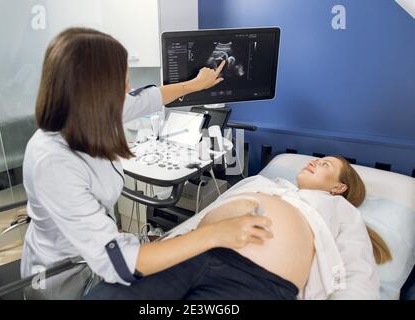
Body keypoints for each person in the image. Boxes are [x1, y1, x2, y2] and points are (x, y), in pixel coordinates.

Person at [21, 27, 273, 299]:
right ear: (94, 90)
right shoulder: (54, 162)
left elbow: (150, 99)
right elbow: (117, 263)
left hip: (97, 250)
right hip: (65, 276)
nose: (128, 88)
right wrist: (213, 235)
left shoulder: (89, 112)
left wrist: (198, 84)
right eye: (121, 80)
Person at [85, 156, 392, 300]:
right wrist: (165, 241)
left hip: (255, 282)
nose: (314, 163)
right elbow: (199, 219)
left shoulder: (340, 210)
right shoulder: (260, 182)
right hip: (190, 252)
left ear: (339, 187)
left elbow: (357, 268)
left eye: (325, 165)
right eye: (317, 160)